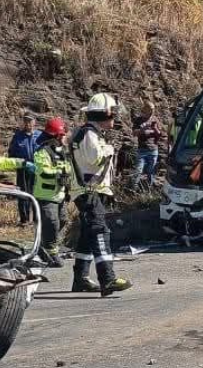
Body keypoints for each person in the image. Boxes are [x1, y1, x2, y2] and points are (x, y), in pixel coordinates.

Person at [69, 93, 133, 296]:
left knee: (88, 235)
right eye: (112, 115)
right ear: (103, 114)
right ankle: (108, 279)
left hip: (92, 190)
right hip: (89, 191)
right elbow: (94, 158)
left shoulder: (91, 132)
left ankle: (81, 278)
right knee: (99, 230)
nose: (115, 119)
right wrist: (109, 149)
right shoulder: (89, 133)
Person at [32, 117, 72, 268]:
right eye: (62, 135)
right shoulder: (42, 152)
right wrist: (62, 172)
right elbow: (44, 171)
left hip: (59, 195)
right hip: (45, 196)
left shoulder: (62, 151)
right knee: (51, 223)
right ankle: (50, 251)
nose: (64, 138)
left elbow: (68, 168)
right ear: (55, 135)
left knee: (62, 220)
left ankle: (48, 245)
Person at [8, 114, 41, 226]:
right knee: (23, 194)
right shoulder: (18, 136)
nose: (28, 123)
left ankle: (37, 219)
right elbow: (11, 153)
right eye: (26, 121)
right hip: (23, 169)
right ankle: (24, 220)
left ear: (34, 122)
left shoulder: (39, 135)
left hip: (37, 169)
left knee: (37, 193)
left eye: (30, 121)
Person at [132, 101, 164, 189]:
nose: (152, 112)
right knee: (138, 170)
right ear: (145, 110)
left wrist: (155, 129)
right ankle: (133, 188)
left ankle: (149, 188)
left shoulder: (155, 119)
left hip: (153, 149)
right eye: (150, 110)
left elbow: (160, 134)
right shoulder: (139, 120)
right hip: (142, 149)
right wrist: (143, 129)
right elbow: (134, 133)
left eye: (153, 110)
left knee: (151, 171)